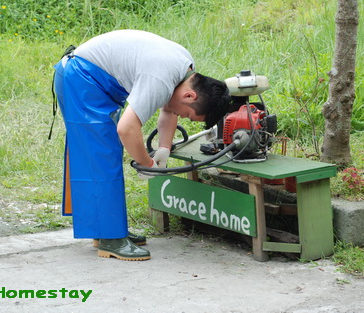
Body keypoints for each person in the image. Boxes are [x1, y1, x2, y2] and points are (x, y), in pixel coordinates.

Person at [52, 29, 231, 261]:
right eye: (188, 115)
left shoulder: (185, 70)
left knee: (100, 156)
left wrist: (164, 149)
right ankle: (110, 238)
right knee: (101, 157)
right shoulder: (161, 77)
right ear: (190, 97)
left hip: (88, 77)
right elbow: (127, 129)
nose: (183, 117)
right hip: (82, 79)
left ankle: (105, 231)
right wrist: (146, 164)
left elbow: (169, 108)